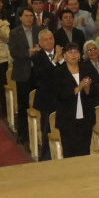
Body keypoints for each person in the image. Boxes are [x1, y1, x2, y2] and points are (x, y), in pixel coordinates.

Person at [55, 42, 99, 158]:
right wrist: (79, 87)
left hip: (86, 118)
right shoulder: (59, 72)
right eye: (70, 52)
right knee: (70, 152)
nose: (73, 55)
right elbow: (60, 94)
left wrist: (87, 87)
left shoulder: (87, 69)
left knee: (84, 151)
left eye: (76, 52)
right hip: (67, 119)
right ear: (64, 56)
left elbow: (95, 92)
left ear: (80, 55)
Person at [9, 7, 43, 145]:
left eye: (31, 16)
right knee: (23, 105)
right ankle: (22, 133)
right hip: (23, 73)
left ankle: (40, 131)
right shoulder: (14, 33)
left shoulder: (39, 31)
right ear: (21, 18)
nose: (29, 18)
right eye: (26, 16)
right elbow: (14, 52)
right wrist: (29, 52)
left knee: (40, 103)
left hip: (39, 72)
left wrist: (39, 51)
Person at [32, 29, 62, 161]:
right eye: (45, 39)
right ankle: (45, 157)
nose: (49, 41)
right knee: (47, 129)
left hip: (62, 97)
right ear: (39, 42)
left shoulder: (62, 54)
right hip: (46, 99)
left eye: (51, 38)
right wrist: (55, 60)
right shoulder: (36, 57)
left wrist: (60, 60)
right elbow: (41, 76)